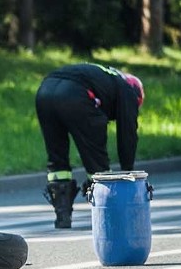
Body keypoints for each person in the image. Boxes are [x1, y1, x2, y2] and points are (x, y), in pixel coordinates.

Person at [35, 63, 145, 229]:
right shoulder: (128, 90)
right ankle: (108, 215)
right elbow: (127, 132)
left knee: (57, 158)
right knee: (96, 161)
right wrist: (127, 173)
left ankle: (62, 216)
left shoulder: (105, 76)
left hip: (44, 91)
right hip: (75, 94)